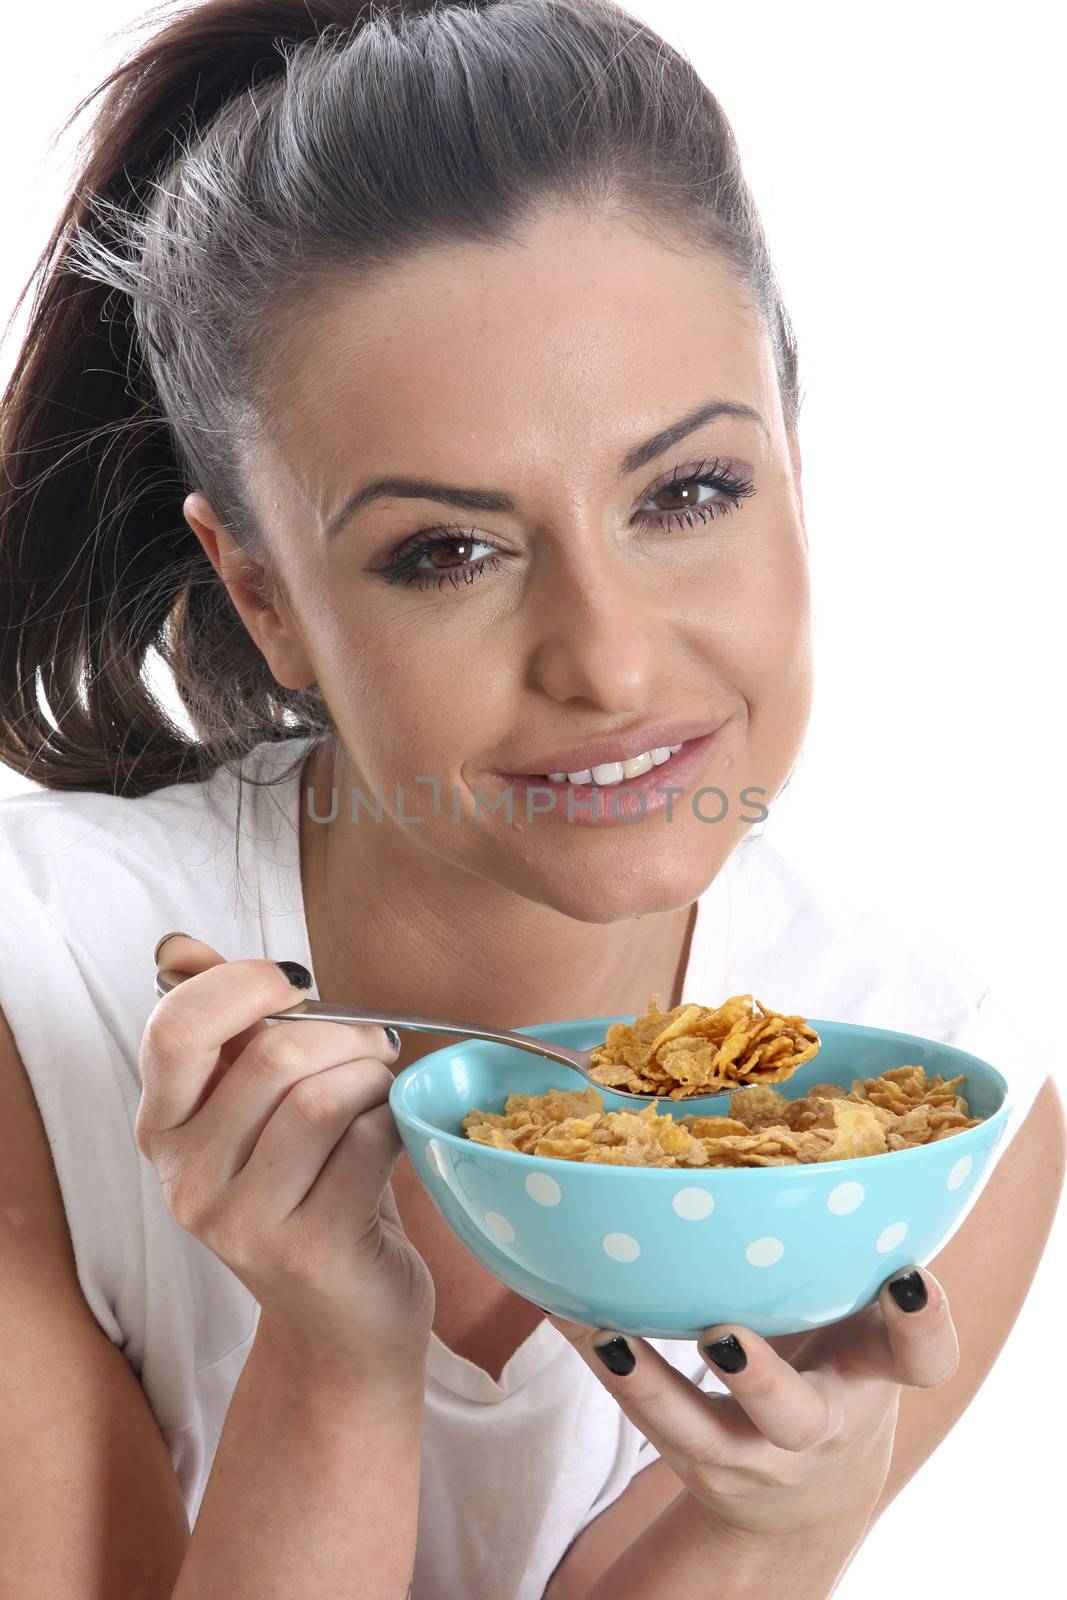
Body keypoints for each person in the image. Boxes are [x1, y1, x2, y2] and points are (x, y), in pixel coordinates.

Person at [0, 2, 1061, 1597]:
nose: (615, 667)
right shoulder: (36, 1002)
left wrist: (781, 1520)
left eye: (687, 491)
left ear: (795, 453)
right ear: (265, 595)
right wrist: (335, 1351)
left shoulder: (933, 1122)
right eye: (448, 552)